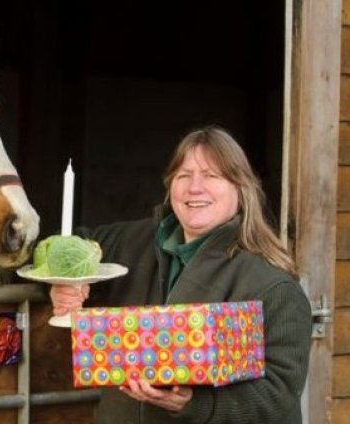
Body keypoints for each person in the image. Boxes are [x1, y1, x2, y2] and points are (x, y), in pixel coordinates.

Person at [50, 126, 311, 423]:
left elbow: (278, 397)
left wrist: (194, 404)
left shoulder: (273, 285)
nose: (194, 187)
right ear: (170, 184)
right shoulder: (134, 243)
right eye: (184, 175)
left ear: (241, 188)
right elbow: (67, 242)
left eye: (211, 175)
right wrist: (68, 279)